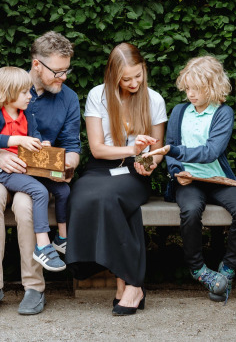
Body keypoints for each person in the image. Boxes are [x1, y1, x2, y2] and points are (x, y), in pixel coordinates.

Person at [0, 32, 81, 317]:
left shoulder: (68, 98)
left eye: (66, 70)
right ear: (37, 65)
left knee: (25, 207)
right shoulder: (6, 86)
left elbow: (72, 147)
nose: (63, 77)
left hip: (35, 176)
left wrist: (66, 167)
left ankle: (35, 288)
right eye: (58, 71)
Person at [65, 43, 168, 316]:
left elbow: (156, 151)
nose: (134, 83)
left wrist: (149, 163)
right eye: (126, 78)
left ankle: (131, 284)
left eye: (138, 75)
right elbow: (97, 148)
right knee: (82, 194)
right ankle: (127, 282)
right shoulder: (97, 95)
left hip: (135, 171)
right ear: (113, 76)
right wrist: (131, 150)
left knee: (111, 197)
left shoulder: (155, 100)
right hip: (100, 167)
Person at [161, 56, 236, 302]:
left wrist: (174, 152)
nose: (191, 94)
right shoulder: (180, 111)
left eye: (197, 89)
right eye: (187, 88)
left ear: (212, 87)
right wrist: (176, 172)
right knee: (190, 211)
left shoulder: (223, 113)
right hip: (188, 180)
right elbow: (168, 148)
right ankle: (199, 270)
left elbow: (211, 151)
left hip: (217, 179)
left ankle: (228, 269)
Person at [0, 66, 70, 273]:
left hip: (26, 167)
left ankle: (62, 240)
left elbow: (34, 135)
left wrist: (41, 144)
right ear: (7, 93)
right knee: (39, 192)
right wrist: (19, 139)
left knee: (63, 190)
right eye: (24, 92)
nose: (30, 96)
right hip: (4, 171)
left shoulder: (26, 114)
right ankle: (42, 246)